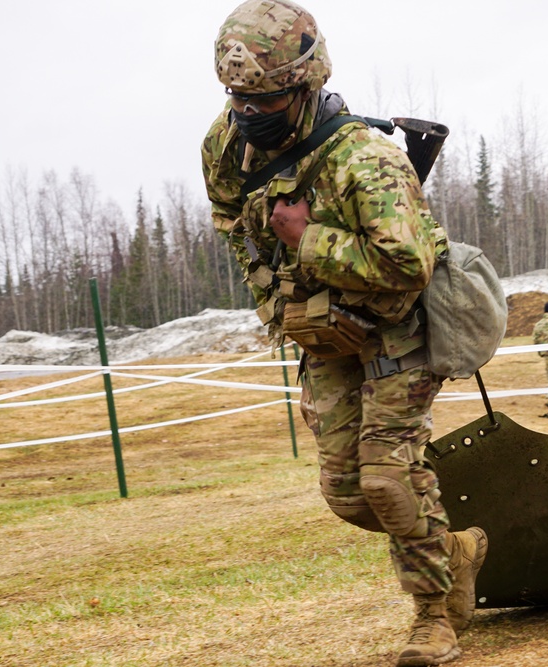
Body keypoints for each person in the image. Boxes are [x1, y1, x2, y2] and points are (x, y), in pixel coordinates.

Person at [200, 3, 486, 664]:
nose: (248, 110)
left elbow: (409, 264)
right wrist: (281, 309)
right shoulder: (225, 144)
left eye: (264, 97)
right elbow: (231, 223)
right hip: (324, 337)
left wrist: (308, 239)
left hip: (397, 329)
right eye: (237, 97)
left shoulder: (366, 159)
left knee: (389, 478)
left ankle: (432, 618)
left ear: (303, 83)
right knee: (349, 494)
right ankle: (458, 549)